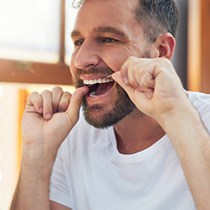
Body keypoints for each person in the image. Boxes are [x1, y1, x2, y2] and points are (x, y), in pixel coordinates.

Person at [10, 0, 210, 209]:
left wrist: (174, 113)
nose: (81, 60)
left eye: (107, 39)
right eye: (78, 42)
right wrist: (37, 153)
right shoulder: (69, 135)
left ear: (161, 50)